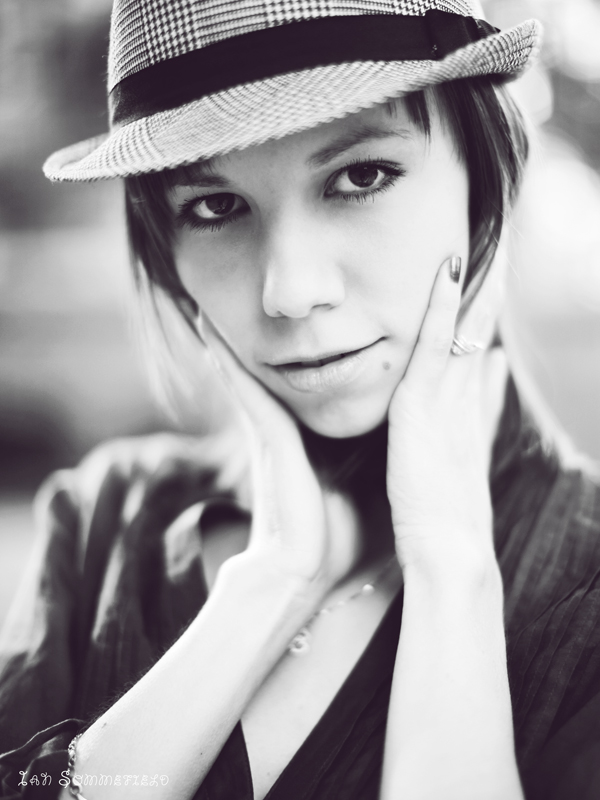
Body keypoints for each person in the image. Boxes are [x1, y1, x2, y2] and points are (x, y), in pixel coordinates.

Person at [1, 1, 600, 798]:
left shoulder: (585, 586)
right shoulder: (101, 526)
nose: (289, 290)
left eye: (361, 177)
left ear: (485, 189)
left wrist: (452, 575)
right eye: (214, 207)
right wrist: (272, 582)